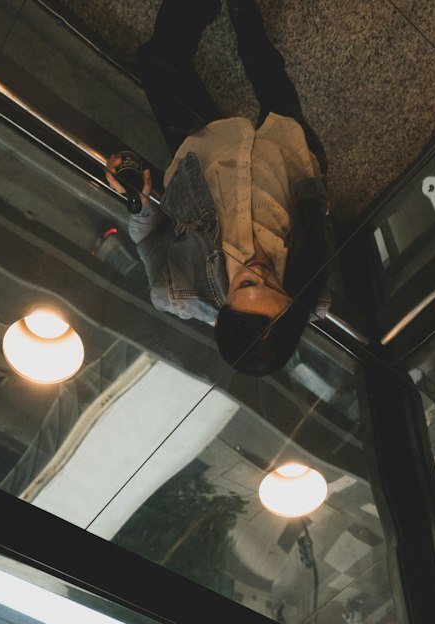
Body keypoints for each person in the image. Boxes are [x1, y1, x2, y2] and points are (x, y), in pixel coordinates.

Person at [106, 0, 331, 375]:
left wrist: (139, 205)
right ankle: (246, 20)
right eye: (274, 286)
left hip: (206, 158)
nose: (259, 269)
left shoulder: (175, 292)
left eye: (245, 285)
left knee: (158, 63)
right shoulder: (312, 292)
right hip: (286, 157)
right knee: (271, 81)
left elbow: (149, 242)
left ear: (221, 309)